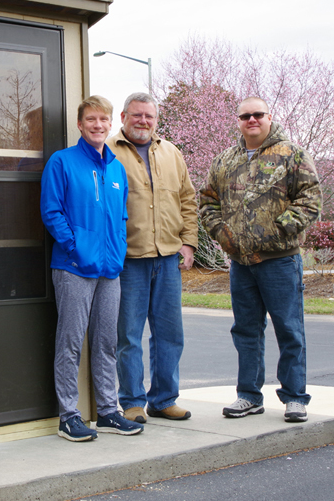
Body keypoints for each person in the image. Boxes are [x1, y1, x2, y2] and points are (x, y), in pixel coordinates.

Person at [199, 97, 322, 423]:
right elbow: (207, 201)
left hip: (279, 261)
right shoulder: (225, 160)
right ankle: (249, 396)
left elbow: (311, 199)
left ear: (269, 117)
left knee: (289, 330)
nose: (251, 120)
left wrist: (278, 230)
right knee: (246, 331)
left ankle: (295, 397)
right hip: (241, 264)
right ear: (238, 121)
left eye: (257, 115)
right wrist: (223, 235)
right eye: (245, 116)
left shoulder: (291, 154)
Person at [40, 95, 143, 442]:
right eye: (91, 120)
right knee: (70, 342)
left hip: (110, 269)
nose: (98, 125)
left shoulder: (116, 168)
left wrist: (118, 250)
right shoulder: (62, 162)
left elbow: (121, 215)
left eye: (104, 120)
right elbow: (52, 212)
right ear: (80, 125)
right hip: (73, 267)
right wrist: (75, 246)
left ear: (111, 123)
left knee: (106, 343)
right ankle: (69, 416)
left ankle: (109, 411)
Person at [106, 93, 198, 424]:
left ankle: (164, 399)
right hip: (129, 259)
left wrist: (189, 242)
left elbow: (187, 199)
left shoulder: (172, 153)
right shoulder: (108, 151)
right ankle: (132, 401)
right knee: (128, 335)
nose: (143, 121)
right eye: (137, 115)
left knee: (170, 334)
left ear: (156, 120)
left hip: (168, 259)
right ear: (123, 116)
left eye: (150, 116)